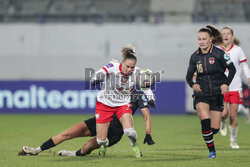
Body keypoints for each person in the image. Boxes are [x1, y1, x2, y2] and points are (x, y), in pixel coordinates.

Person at [19, 89, 156, 157]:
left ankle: (73, 154)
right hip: (100, 121)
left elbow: (146, 117)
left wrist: (148, 133)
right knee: (67, 133)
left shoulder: (138, 95)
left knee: (86, 148)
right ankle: (36, 150)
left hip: (115, 131)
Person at [91, 45, 155, 158]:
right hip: (105, 104)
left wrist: (151, 98)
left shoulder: (137, 72)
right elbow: (99, 73)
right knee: (101, 140)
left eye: (132, 67)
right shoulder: (112, 66)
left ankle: (135, 148)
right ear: (122, 62)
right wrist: (96, 79)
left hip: (122, 104)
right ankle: (103, 146)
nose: (130, 70)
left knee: (129, 132)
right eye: (128, 66)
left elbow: (145, 86)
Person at [186, 25, 236, 159]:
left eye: (204, 39)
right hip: (201, 93)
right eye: (199, 39)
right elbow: (188, 76)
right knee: (204, 120)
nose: (201, 42)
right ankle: (212, 152)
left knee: (214, 129)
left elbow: (232, 69)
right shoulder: (194, 57)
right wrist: (193, 84)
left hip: (217, 94)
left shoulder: (219, 54)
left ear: (211, 39)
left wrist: (226, 83)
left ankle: (209, 133)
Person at [219, 27, 250, 149]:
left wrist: (248, 76)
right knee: (223, 114)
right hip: (221, 86)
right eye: (223, 34)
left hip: (235, 87)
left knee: (233, 115)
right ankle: (222, 122)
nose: (226, 36)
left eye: (228, 34)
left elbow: (244, 66)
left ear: (232, 37)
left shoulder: (238, 50)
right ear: (221, 37)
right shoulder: (217, 50)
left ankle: (233, 140)